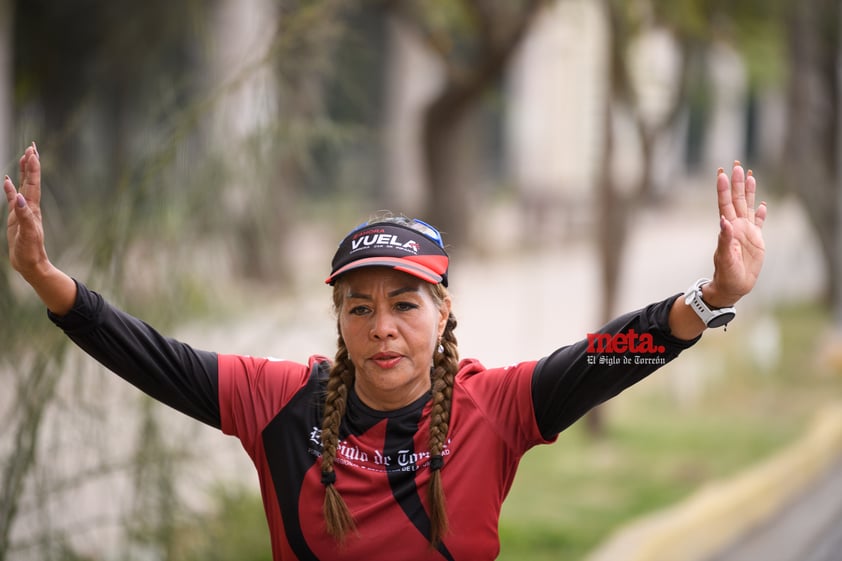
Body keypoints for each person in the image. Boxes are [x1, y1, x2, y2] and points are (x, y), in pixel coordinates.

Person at [4, 142, 767, 560]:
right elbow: (152, 356)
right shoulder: (279, 401)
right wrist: (47, 278)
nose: (382, 327)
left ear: (443, 312)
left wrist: (711, 295)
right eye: (359, 307)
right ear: (339, 319)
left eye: (404, 304)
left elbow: (615, 351)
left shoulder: (494, 408)